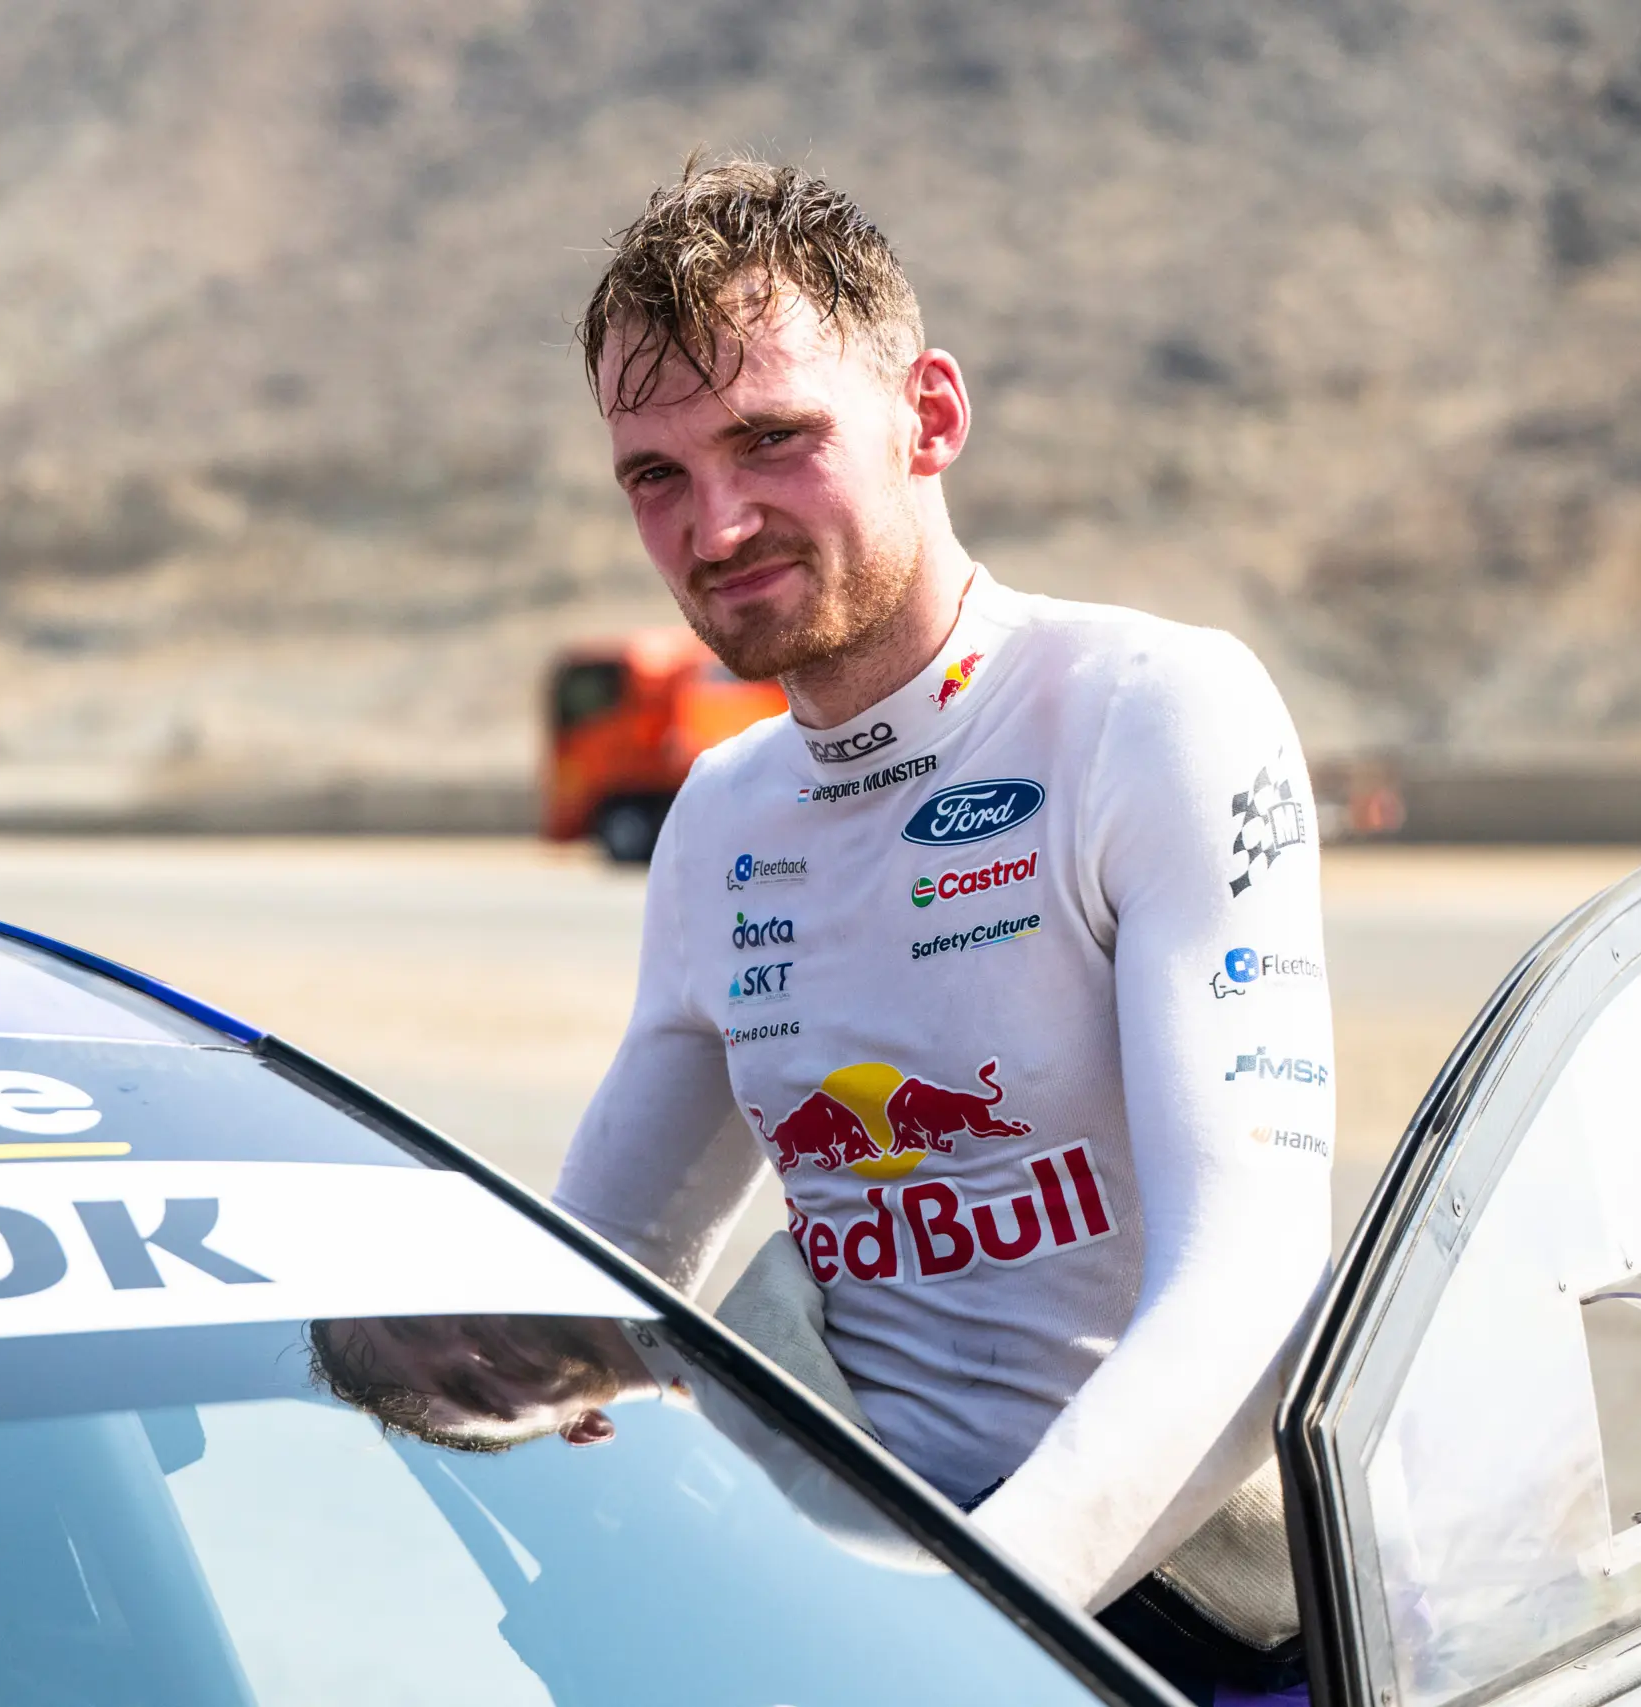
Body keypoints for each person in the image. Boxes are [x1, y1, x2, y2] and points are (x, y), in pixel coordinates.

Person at [550, 158, 1334, 1700]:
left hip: (1160, 1627)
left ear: (930, 415)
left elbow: (1251, 1286)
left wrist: (964, 1640)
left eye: (772, 437)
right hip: (860, 1601)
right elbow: (594, 1287)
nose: (716, 524)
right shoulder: (720, 817)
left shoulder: (1151, 712)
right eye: (655, 474)